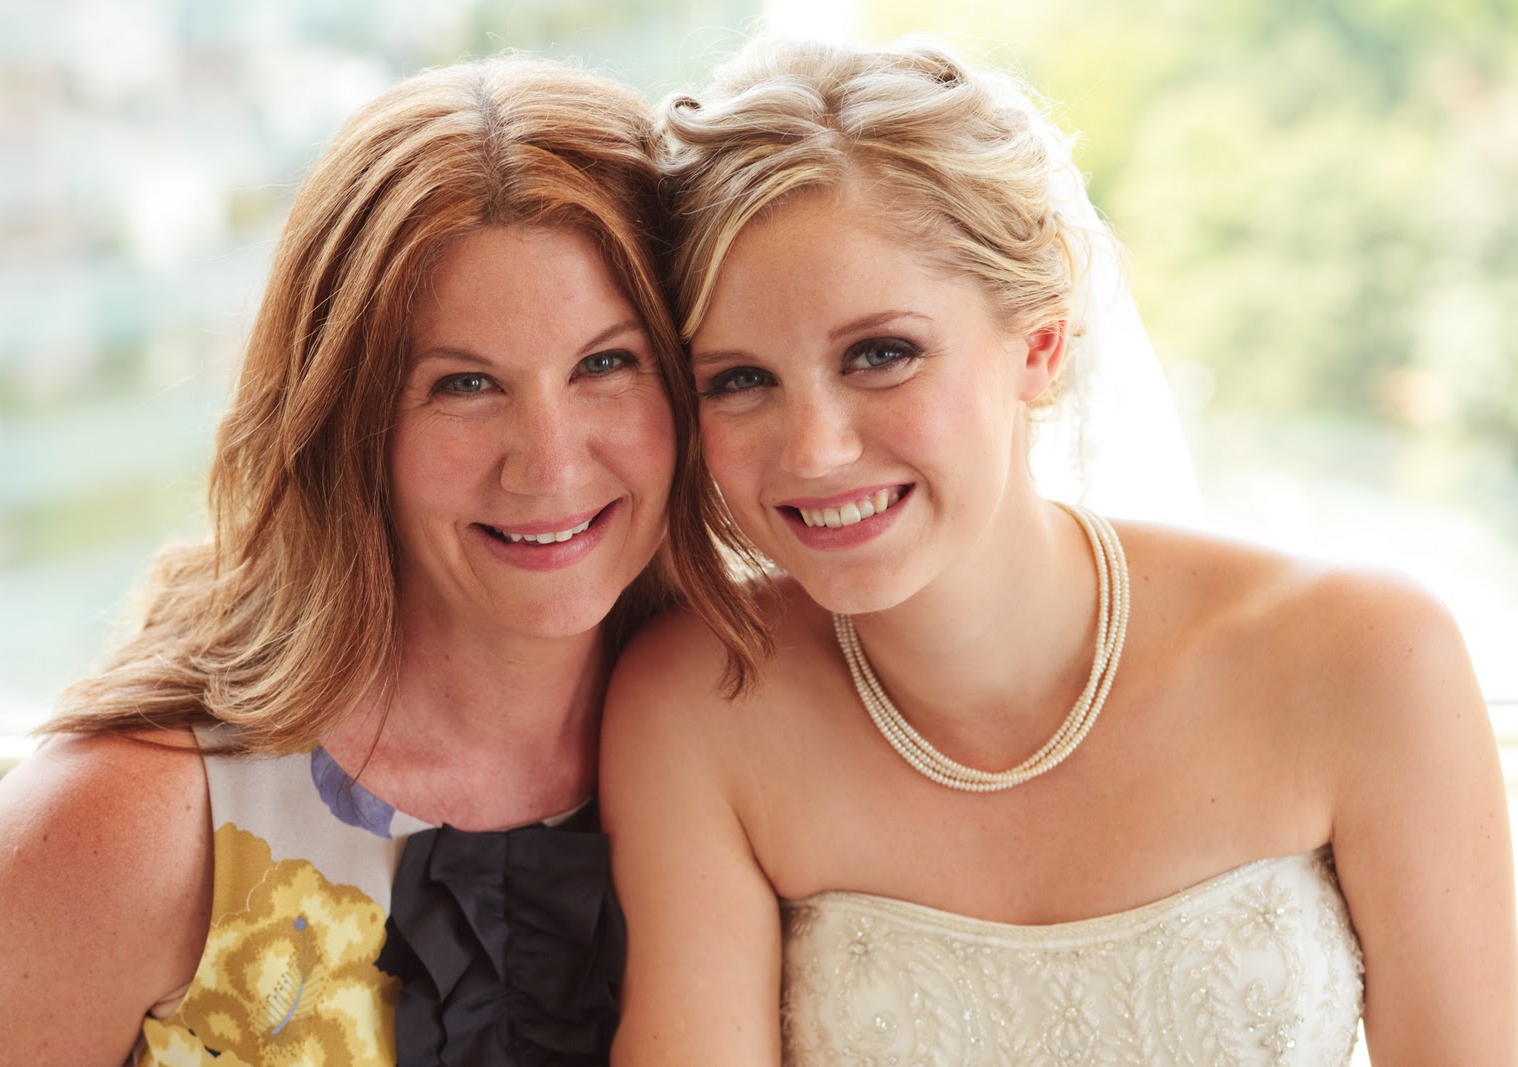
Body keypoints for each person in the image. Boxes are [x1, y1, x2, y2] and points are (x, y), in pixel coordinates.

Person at [602, 37, 1518, 1065]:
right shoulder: (697, 705)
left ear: (1037, 346)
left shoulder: (1369, 659)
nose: (814, 447)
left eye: (880, 354)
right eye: (737, 378)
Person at [0, 54, 755, 1067]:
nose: (549, 461)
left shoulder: (766, 745)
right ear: (345, 421)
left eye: (606, 363)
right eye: (463, 384)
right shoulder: (110, 831)